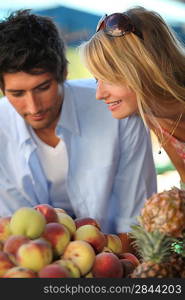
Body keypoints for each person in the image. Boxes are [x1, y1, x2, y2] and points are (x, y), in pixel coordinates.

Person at [0, 10, 157, 238]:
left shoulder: (117, 110)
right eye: (17, 93)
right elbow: (10, 231)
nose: (33, 107)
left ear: (64, 72)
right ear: (3, 90)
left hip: (115, 257)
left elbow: (136, 223)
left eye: (42, 88)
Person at [80, 6, 185, 189]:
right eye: (97, 80)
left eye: (109, 78)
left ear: (144, 68)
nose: (99, 94)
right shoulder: (153, 114)